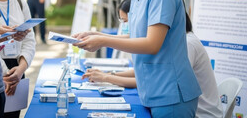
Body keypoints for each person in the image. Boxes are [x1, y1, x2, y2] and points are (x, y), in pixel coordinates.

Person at [74, 0, 201, 118]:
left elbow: (151, 44)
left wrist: (104, 42)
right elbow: (137, 36)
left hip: (171, 94)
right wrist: (98, 36)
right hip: (154, 90)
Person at [83, 10, 223, 118]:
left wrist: (107, 78)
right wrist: (109, 75)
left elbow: (155, 78)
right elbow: (146, 70)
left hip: (199, 114)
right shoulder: (174, 41)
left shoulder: (187, 44)